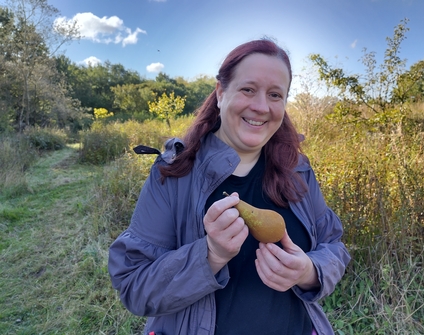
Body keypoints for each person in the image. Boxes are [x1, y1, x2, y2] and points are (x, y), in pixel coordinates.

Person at [108, 38, 351, 335]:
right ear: (221, 92)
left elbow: (334, 247)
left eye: (275, 95)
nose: (261, 107)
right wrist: (210, 255)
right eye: (248, 89)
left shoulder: (298, 170)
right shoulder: (173, 174)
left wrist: (309, 271)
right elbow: (134, 288)